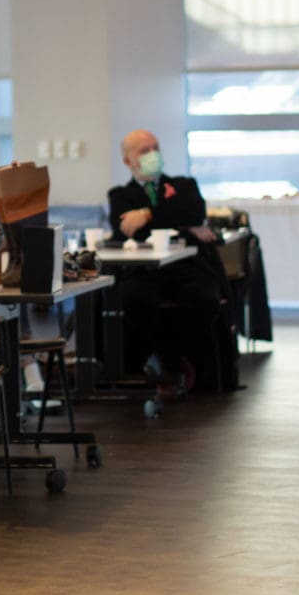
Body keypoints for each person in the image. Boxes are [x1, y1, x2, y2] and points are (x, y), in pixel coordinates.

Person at [108, 131, 232, 397]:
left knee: (204, 300)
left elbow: (194, 211)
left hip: (185, 268)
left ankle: (170, 359)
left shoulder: (184, 185)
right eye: (144, 151)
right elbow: (128, 232)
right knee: (134, 300)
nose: (152, 154)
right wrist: (182, 226)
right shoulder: (120, 195)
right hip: (144, 272)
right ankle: (171, 362)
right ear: (128, 161)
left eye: (155, 147)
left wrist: (147, 214)